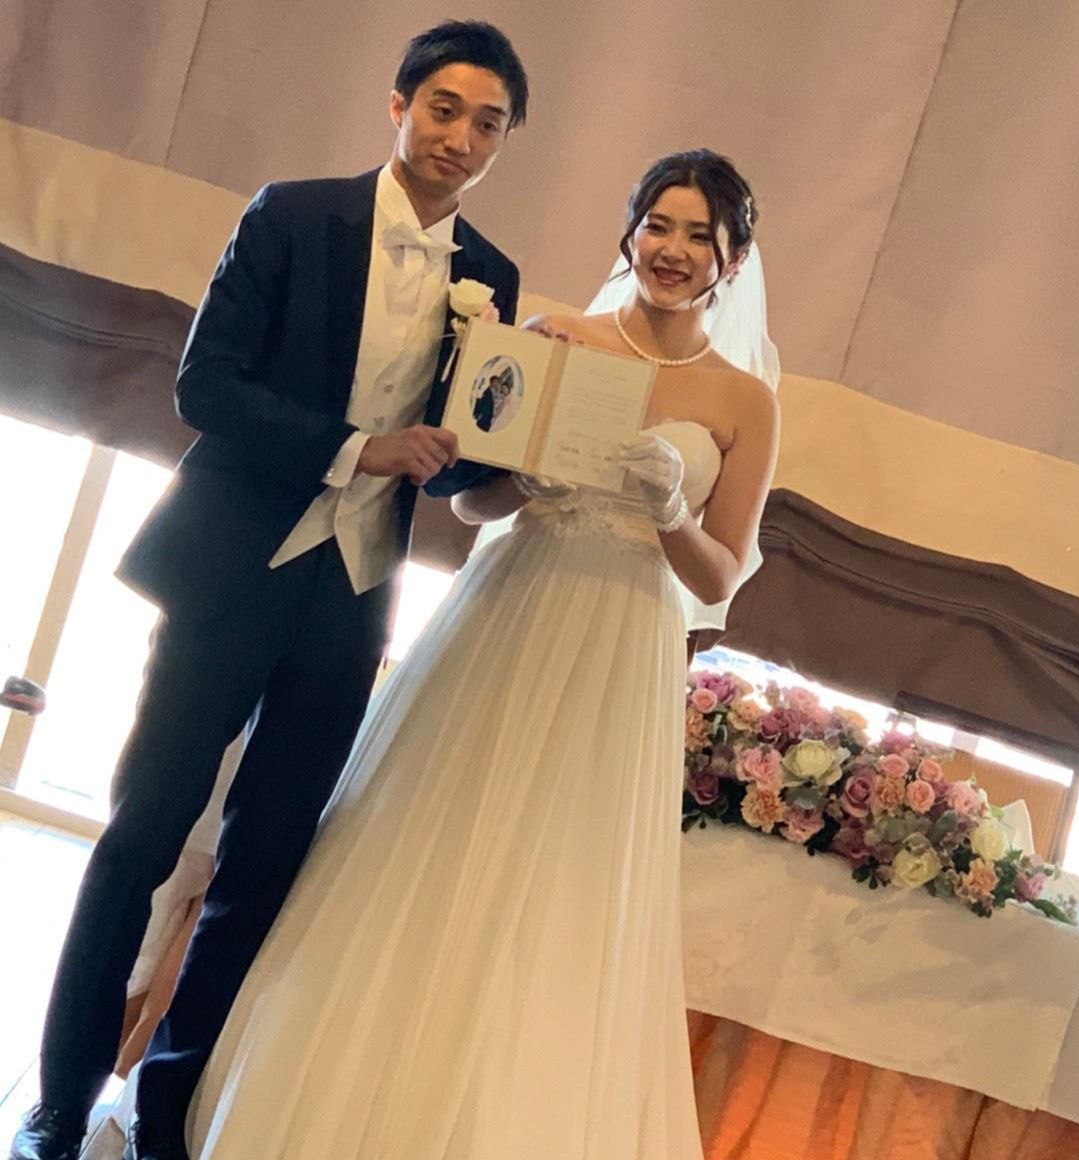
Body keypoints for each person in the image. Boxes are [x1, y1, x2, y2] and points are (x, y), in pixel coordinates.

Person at [185, 148, 779, 1159]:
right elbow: (471, 503)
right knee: (431, 830)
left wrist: (671, 509)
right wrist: (523, 477)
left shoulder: (744, 401)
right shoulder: (557, 338)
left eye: (698, 236)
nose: (671, 249)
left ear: (731, 261)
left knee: (564, 873)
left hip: (623, 637)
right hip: (515, 603)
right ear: (630, 233)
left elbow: (720, 575)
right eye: (657, 225)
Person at [10, 20, 528, 1160]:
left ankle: (165, 1111)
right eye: (444, 108)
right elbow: (207, 386)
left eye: (487, 123)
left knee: (265, 866)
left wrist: (519, 456)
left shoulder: (491, 278)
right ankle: (58, 1100)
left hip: (352, 597)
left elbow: (459, 459)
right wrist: (355, 449)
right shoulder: (292, 216)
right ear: (398, 105)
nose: (460, 137)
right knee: (143, 836)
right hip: (232, 570)